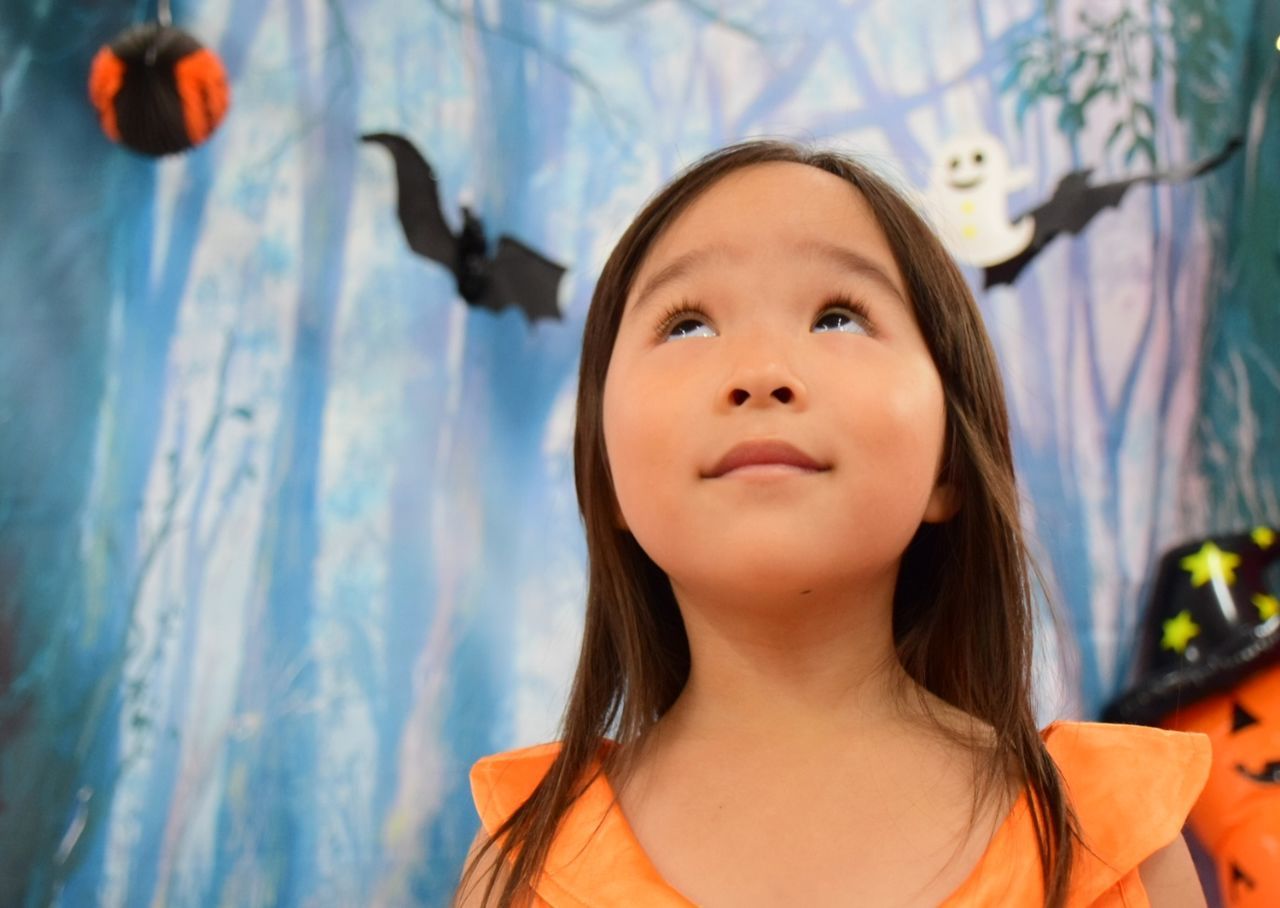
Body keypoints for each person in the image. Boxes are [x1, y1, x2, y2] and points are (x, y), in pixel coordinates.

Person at [452, 139, 1211, 907]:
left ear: (948, 463)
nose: (759, 373)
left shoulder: (1110, 841)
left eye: (839, 317)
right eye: (685, 325)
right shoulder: (526, 859)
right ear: (607, 473)